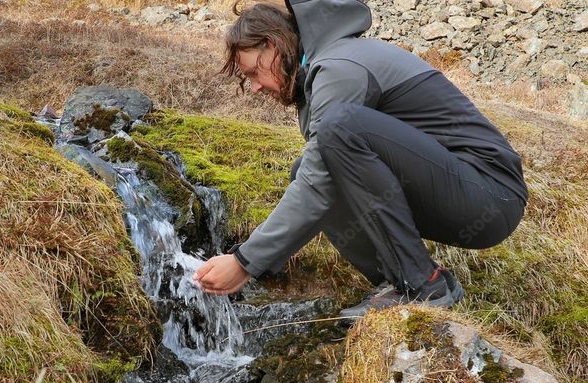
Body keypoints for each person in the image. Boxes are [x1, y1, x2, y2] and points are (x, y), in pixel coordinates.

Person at [193, 0, 528, 318]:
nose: (254, 88)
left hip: (489, 192)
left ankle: (423, 283)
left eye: (253, 73)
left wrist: (245, 261)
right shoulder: (322, 72)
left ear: (274, 44)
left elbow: (318, 182)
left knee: (338, 132)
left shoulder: (340, 68)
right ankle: (399, 283)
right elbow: (324, 178)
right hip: (459, 191)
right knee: (316, 164)